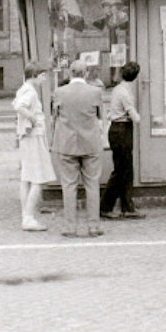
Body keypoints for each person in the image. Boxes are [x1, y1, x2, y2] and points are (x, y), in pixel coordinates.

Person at [51, 60, 105, 237]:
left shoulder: (59, 92)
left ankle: (70, 226)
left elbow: (54, 118)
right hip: (90, 144)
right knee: (92, 185)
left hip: (67, 144)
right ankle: (93, 226)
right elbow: (100, 117)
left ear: (70, 72)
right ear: (86, 73)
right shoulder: (95, 92)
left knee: (68, 186)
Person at [13, 62, 58, 231]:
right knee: (38, 177)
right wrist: (34, 119)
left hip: (26, 137)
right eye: (42, 75)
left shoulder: (23, 89)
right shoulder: (31, 92)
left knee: (26, 178)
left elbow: (16, 104)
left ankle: (26, 214)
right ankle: (29, 217)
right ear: (35, 75)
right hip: (34, 137)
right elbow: (19, 107)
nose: (44, 78)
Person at [101, 61, 145, 220]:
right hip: (122, 129)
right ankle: (105, 206)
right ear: (135, 77)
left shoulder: (118, 89)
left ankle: (127, 206)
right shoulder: (125, 93)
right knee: (121, 170)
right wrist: (140, 117)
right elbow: (135, 117)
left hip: (117, 128)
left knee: (125, 169)